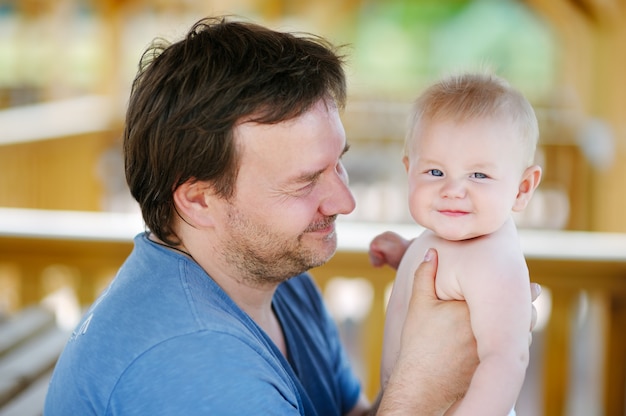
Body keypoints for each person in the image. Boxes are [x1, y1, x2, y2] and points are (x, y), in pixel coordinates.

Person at [44, 17, 538, 415]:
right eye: (305, 181)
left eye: (338, 162)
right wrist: (421, 385)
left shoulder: (275, 276)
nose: (345, 202)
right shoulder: (192, 364)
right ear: (198, 200)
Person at [370, 71, 542, 415]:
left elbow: (505, 359)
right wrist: (406, 255)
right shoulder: (453, 234)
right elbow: (445, 280)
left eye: (478, 175)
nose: (452, 189)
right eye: (435, 172)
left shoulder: (494, 260)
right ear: (409, 172)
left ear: (522, 189)